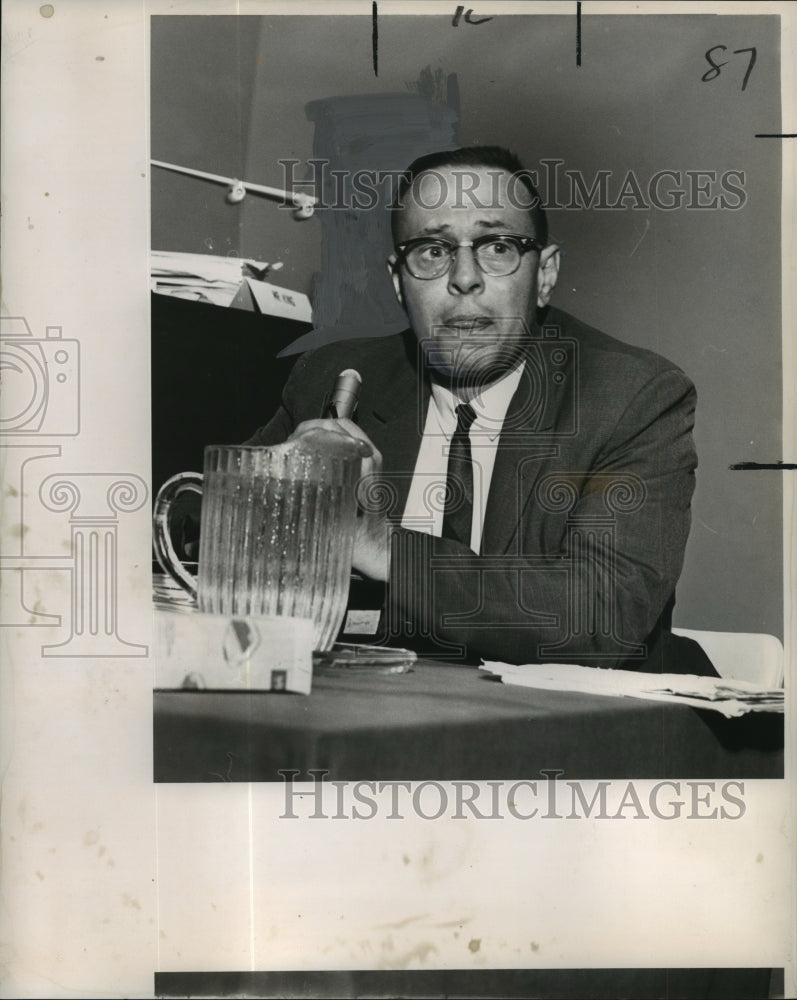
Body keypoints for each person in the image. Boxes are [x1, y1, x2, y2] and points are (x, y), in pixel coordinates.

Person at [248, 146, 715, 674]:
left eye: (497, 247)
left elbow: (602, 615)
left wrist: (382, 546)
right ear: (398, 280)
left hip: (571, 734)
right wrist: (270, 495)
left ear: (544, 275)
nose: (464, 278)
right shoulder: (335, 375)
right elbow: (199, 520)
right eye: (431, 250)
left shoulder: (631, 396)